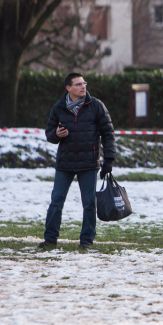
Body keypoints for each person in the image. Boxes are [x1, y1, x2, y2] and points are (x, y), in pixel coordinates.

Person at [40, 73, 116, 250]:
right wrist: (55, 135)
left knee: (89, 203)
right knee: (56, 201)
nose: (83, 87)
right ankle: (50, 239)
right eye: (79, 84)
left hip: (88, 163)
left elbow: (108, 133)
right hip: (65, 163)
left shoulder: (96, 105)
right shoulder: (59, 107)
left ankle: (86, 241)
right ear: (69, 88)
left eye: (84, 83)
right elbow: (49, 133)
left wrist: (109, 159)